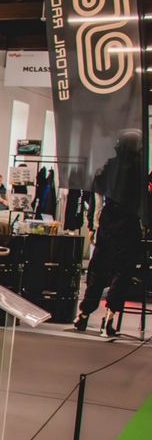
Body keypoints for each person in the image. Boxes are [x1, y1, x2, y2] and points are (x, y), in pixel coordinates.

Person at [75, 132, 145, 335]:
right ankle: (109, 317)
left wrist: (93, 224)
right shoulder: (140, 170)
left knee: (98, 270)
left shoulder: (109, 166)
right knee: (122, 273)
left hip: (107, 224)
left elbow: (98, 197)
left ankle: (84, 315)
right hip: (129, 224)